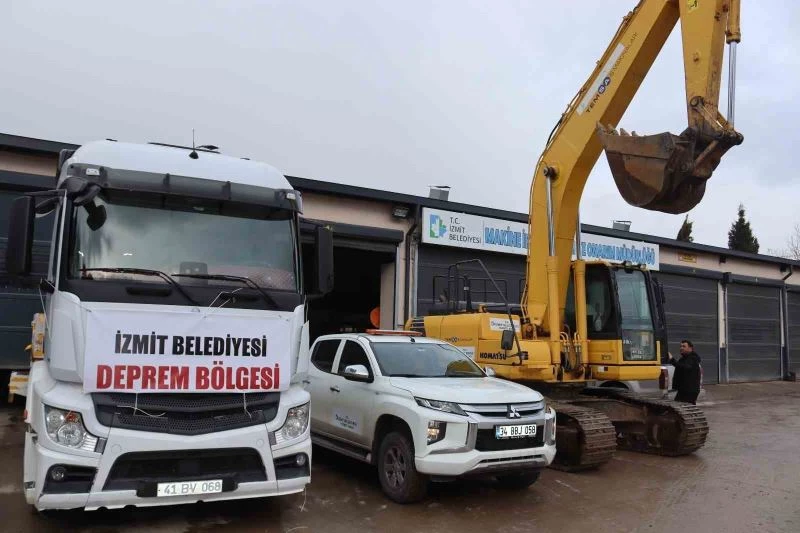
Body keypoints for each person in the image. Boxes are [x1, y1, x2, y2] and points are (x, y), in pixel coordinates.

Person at [668, 340, 702, 404]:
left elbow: (686, 367)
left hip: (689, 390)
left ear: (690, 348)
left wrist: (672, 360)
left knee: (681, 406)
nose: (681, 348)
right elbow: (680, 368)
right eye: (680, 346)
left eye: (684, 346)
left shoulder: (693, 358)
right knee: (686, 408)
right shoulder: (683, 358)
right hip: (683, 389)